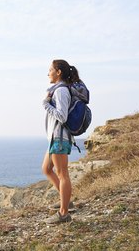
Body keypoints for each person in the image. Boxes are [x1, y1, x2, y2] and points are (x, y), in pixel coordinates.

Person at [41, 59, 81, 224]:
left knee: (62, 174)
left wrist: (45, 104)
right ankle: (66, 201)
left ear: (58, 72)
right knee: (46, 169)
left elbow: (62, 116)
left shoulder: (61, 91)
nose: (48, 73)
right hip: (54, 137)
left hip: (60, 137)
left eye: (50, 70)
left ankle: (64, 213)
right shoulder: (57, 90)